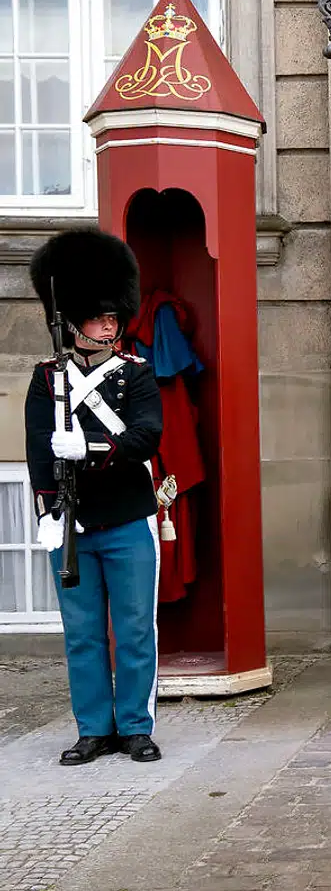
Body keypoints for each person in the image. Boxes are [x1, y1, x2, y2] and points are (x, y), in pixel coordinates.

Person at [24, 230, 164, 766]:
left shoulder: (136, 375)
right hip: (72, 525)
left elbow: (146, 436)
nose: (109, 324)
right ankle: (94, 729)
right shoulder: (47, 379)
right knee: (82, 635)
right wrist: (48, 511)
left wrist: (91, 446)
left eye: (113, 315)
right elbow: (38, 449)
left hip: (127, 518)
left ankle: (136, 727)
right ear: (73, 319)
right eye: (97, 316)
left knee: (134, 630)